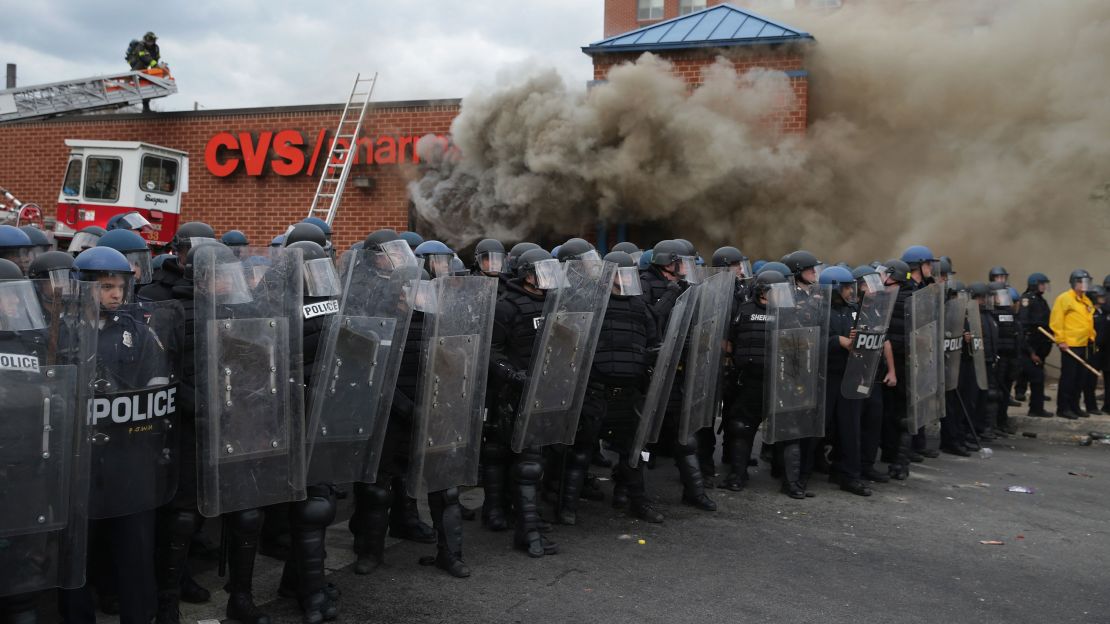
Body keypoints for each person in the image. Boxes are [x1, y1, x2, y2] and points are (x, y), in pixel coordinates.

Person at [555, 251, 662, 524]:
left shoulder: (640, 307)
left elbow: (653, 344)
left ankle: (636, 500)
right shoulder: (590, 303)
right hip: (595, 391)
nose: (623, 280)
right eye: (619, 274)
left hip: (628, 394)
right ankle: (567, 507)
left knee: (633, 452)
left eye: (628, 275)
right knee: (581, 452)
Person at [638, 240, 716, 511]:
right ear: (669, 262)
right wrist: (672, 293)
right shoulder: (643, 283)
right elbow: (649, 319)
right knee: (641, 437)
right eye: (684, 261)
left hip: (678, 369)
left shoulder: (689, 286)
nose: (689, 267)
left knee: (685, 436)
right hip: (649, 370)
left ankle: (694, 491)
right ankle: (632, 494)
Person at [1049, 270, 1096, 420]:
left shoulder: (1086, 300)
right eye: (1083, 281)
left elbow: (1088, 321)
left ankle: (1075, 406)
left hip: (1084, 344)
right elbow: (1057, 321)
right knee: (1069, 378)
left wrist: (1091, 337)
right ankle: (1063, 408)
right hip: (1070, 345)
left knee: (1080, 378)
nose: (1086, 284)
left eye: (1087, 281)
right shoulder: (1064, 298)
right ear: (1075, 282)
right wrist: (1061, 340)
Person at [1016, 273, 1053, 416]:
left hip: (1039, 347)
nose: (1044, 286)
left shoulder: (1040, 300)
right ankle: (1036, 409)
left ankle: (1037, 406)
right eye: (1042, 284)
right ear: (1034, 284)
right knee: (1036, 377)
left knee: (1038, 378)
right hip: (1030, 347)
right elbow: (1023, 328)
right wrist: (1031, 352)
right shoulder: (1027, 300)